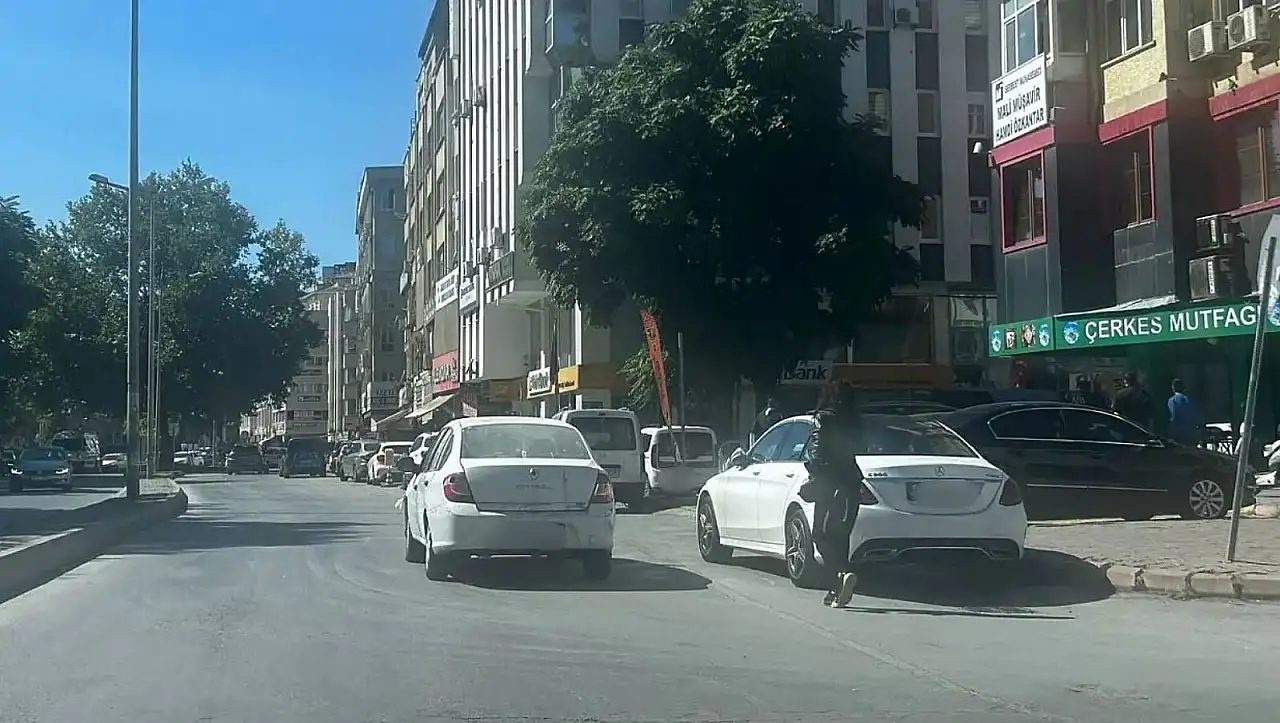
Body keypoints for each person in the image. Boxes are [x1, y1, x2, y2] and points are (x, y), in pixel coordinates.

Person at [804, 384, 865, 608]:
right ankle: (836, 589)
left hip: (829, 483)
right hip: (851, 482)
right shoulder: (855, 420)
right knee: (841, 536)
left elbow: (817, 448)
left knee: (819, 534)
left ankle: (842, 574)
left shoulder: (823, 418)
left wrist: (814, 471)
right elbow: (861, 446)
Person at [1167, 378, 1201, 446]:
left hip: (1178, 433)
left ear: (1173, 388)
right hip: (1190, 432)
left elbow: (1173, 416)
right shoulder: (1189, 399)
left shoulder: (1172, 401)